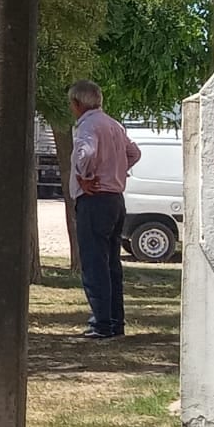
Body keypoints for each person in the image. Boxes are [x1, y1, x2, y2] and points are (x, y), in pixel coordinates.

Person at [69, 79, 141, 340]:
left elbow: (86, 153)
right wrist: (117, 169)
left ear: (77, 103)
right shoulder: (114, 124)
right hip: (115, 199)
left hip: (95, 199)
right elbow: (134, 153)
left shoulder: (88, 125)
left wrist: (83, 175)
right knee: (112, 263)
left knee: (94, 262)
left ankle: (101, 323)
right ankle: (114, 321)